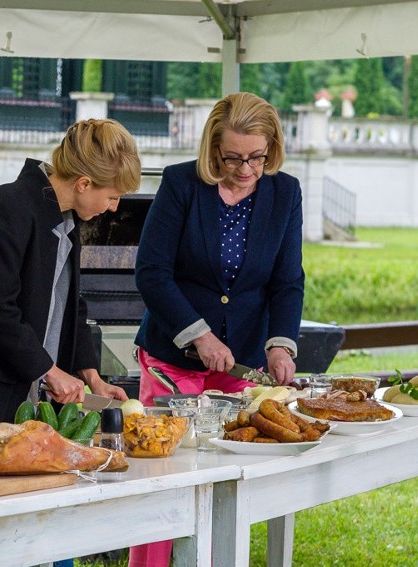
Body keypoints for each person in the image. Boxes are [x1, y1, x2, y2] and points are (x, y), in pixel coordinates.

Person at [129, 92, 304, 567]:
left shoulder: (285, 192)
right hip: (171, 356)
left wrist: (280, 346)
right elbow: (152, 272)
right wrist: (199, 335)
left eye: (256, 157)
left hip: (244, 360)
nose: (246, 169)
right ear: (213, 148)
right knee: (162, 475)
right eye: (233, 158)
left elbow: (288, 282)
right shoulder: (182, 183)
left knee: (233, 474)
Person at [0, 119, 140, 424]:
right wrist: (48, 369)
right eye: (113, 196)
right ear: (83, 184)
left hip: (22, 398)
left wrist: (92, 378)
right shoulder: (9, 206)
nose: (114, 207)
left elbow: (71, 305)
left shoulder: (66, 222)